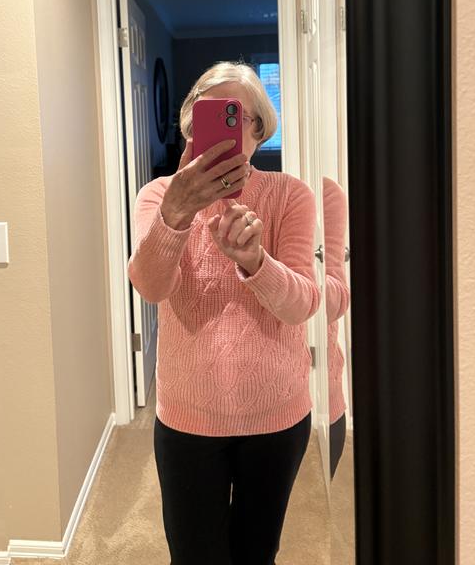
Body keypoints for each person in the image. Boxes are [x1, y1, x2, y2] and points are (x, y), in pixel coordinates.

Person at [127, 62, 321, 565]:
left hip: (277, 415)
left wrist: (256, 262)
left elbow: (302, 304)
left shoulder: (290, 195)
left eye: (236, 115)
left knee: (257, 553)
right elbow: (150, 287)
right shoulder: (157, 196)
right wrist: (176, 214)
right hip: (187, 417)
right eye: (208, 113)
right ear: (191, 125)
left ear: (258, 131)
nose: (220, 127)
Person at [322, 176, 351, 480]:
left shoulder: (323, 194)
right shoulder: (169, 192)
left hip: (316, 398)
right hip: (196, 408)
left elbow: (333, 303)